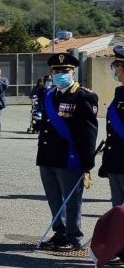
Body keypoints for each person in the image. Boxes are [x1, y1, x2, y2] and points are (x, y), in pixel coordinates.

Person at [35, 53, 98, 253]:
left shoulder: (83, 95)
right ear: (50, 73)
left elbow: (88, 131)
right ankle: (59, 233)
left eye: (64, 71)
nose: (60, 74)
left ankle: (74, 237)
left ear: (73, 72)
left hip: (70, 157)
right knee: (54, 198)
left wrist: (87, 161)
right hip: (48, 155)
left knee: (71, 200)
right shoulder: (50, 94)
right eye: (56, 71)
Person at [99, 46, 124, 266]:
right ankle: (120, 247)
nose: (116, 70)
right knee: (118, 208)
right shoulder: (121, 93)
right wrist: (107, 162)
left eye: (118, 66)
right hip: (117, 162)